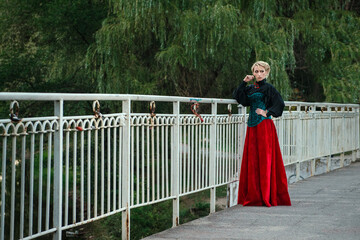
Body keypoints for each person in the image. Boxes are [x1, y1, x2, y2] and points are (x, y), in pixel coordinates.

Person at [233, 61, 291, 207]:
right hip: (252, 126)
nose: (259, 74)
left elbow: (280, 103)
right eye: (256, 71)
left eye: (261, 71)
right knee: (252, 160)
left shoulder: (269, 88)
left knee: (265, 160)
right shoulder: (251, 88)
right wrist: (243, 83)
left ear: (266, 73)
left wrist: (267, 113)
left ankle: (266, 195)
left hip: (264, 127)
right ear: (253, 73)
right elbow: (240, 98)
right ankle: (255, 195)